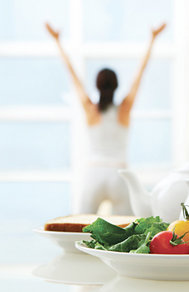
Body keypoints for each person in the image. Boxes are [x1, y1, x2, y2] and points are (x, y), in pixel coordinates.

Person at [45, 22, 166, 215]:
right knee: (125, 232)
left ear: (97, 85)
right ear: (116, 85)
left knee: (81, 227)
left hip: (94, 173)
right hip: (120, 175)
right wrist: (152, 39)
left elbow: (72, 75)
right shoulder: (124, 110)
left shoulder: (91, 110)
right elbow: (139, 75)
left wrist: (57, 41)